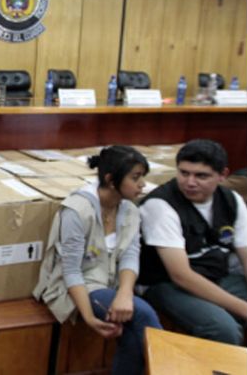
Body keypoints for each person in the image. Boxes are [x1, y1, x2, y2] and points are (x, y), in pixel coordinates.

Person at [34, 146, 162, 375]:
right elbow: (71, 271)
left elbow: (130, 255)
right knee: (143, 314)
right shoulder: (77, 210)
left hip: (111, 283)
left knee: (133, 329)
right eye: (135, 177)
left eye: (143, 176)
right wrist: (90, 317)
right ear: (111, 180)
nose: (143, 184)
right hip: (78, 285)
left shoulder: (130, 209)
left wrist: (125, 293)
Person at [138, 139, 247, 345]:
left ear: (223, 175)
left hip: (217, 275)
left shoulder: (232, 199)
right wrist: (243, 309)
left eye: (201, 176)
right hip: (166, 284)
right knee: (224, 330)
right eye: (184, 173)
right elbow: (181, 276)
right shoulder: (160, 205)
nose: (190, 182)